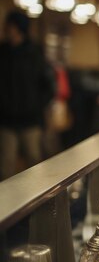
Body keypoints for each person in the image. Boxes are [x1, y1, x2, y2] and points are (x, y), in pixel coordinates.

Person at [0, 10, 56, 180]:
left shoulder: (35, 53)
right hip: (6, 120)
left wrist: (36, 106)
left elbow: (49, 85)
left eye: (10, 26)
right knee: (5, 167)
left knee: (34, 165)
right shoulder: (2, 53)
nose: (6, 29)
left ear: (18, 28)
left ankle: (36, 206)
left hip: (31, 119)